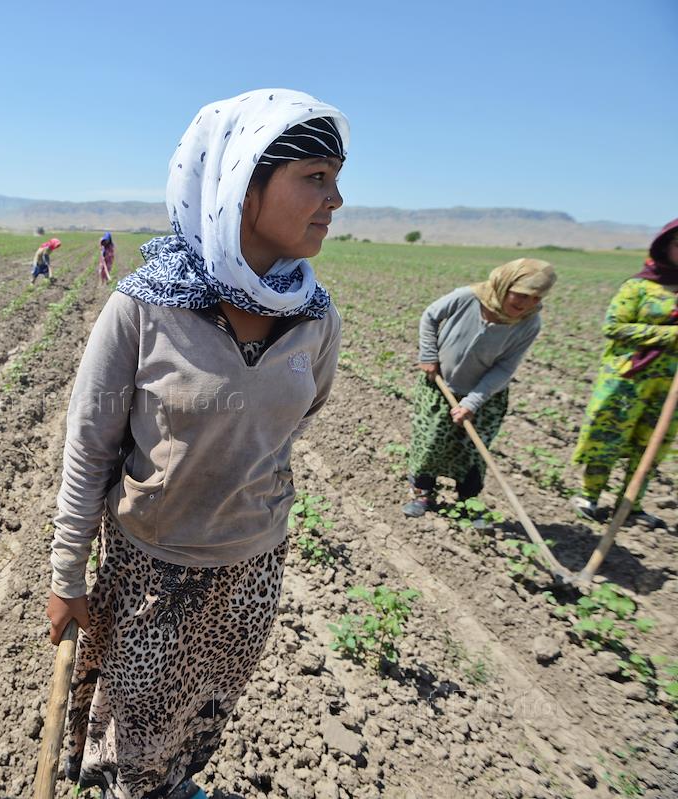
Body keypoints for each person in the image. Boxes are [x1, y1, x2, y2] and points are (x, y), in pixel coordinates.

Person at [46, 89, 348, 799]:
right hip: (153, 571)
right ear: (243, 184)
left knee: (203, 712)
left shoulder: (317, 317)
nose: (336, 199)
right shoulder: (145, 307)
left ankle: (169, 781)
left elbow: (295, 424)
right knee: (139, 734)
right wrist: (67, 573)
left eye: (337, 178)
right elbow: (89, 447)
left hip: (252, 566)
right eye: (315, 176)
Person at [403, 259, 557, 526]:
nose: (525, 304)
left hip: (486, 395)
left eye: (535, 298)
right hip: (440, 385)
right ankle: (423, 494)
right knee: (429, 441)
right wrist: (428, 354)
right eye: (520, 295)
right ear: (504, 284)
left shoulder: (529, 323)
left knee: (473, 450)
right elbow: (430, 316)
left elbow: (505, 367)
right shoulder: (468, 298)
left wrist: (473, 402)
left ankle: (467, 502)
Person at [571, 219, 678, 528]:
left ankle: (631, 504)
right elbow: (614, 327)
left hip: (669, 387)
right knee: (609, 436)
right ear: (664, 246)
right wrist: (670, 336)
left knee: (652, 443)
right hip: (628, 378)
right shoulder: (640, 286)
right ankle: (589, 495)